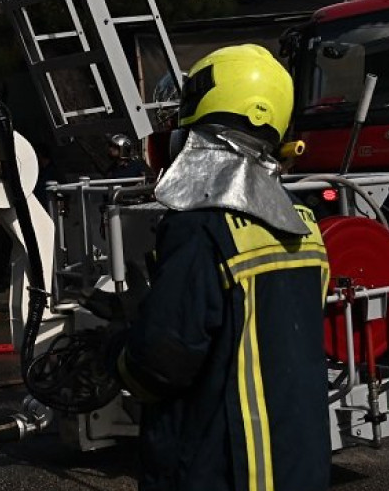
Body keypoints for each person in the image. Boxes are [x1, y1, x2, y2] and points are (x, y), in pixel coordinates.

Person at [114, 44, 331, 491]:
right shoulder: (305, 224)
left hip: (222, 471)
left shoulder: (200, 228)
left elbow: (157, 366)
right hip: (296, 465)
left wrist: (116, 342)